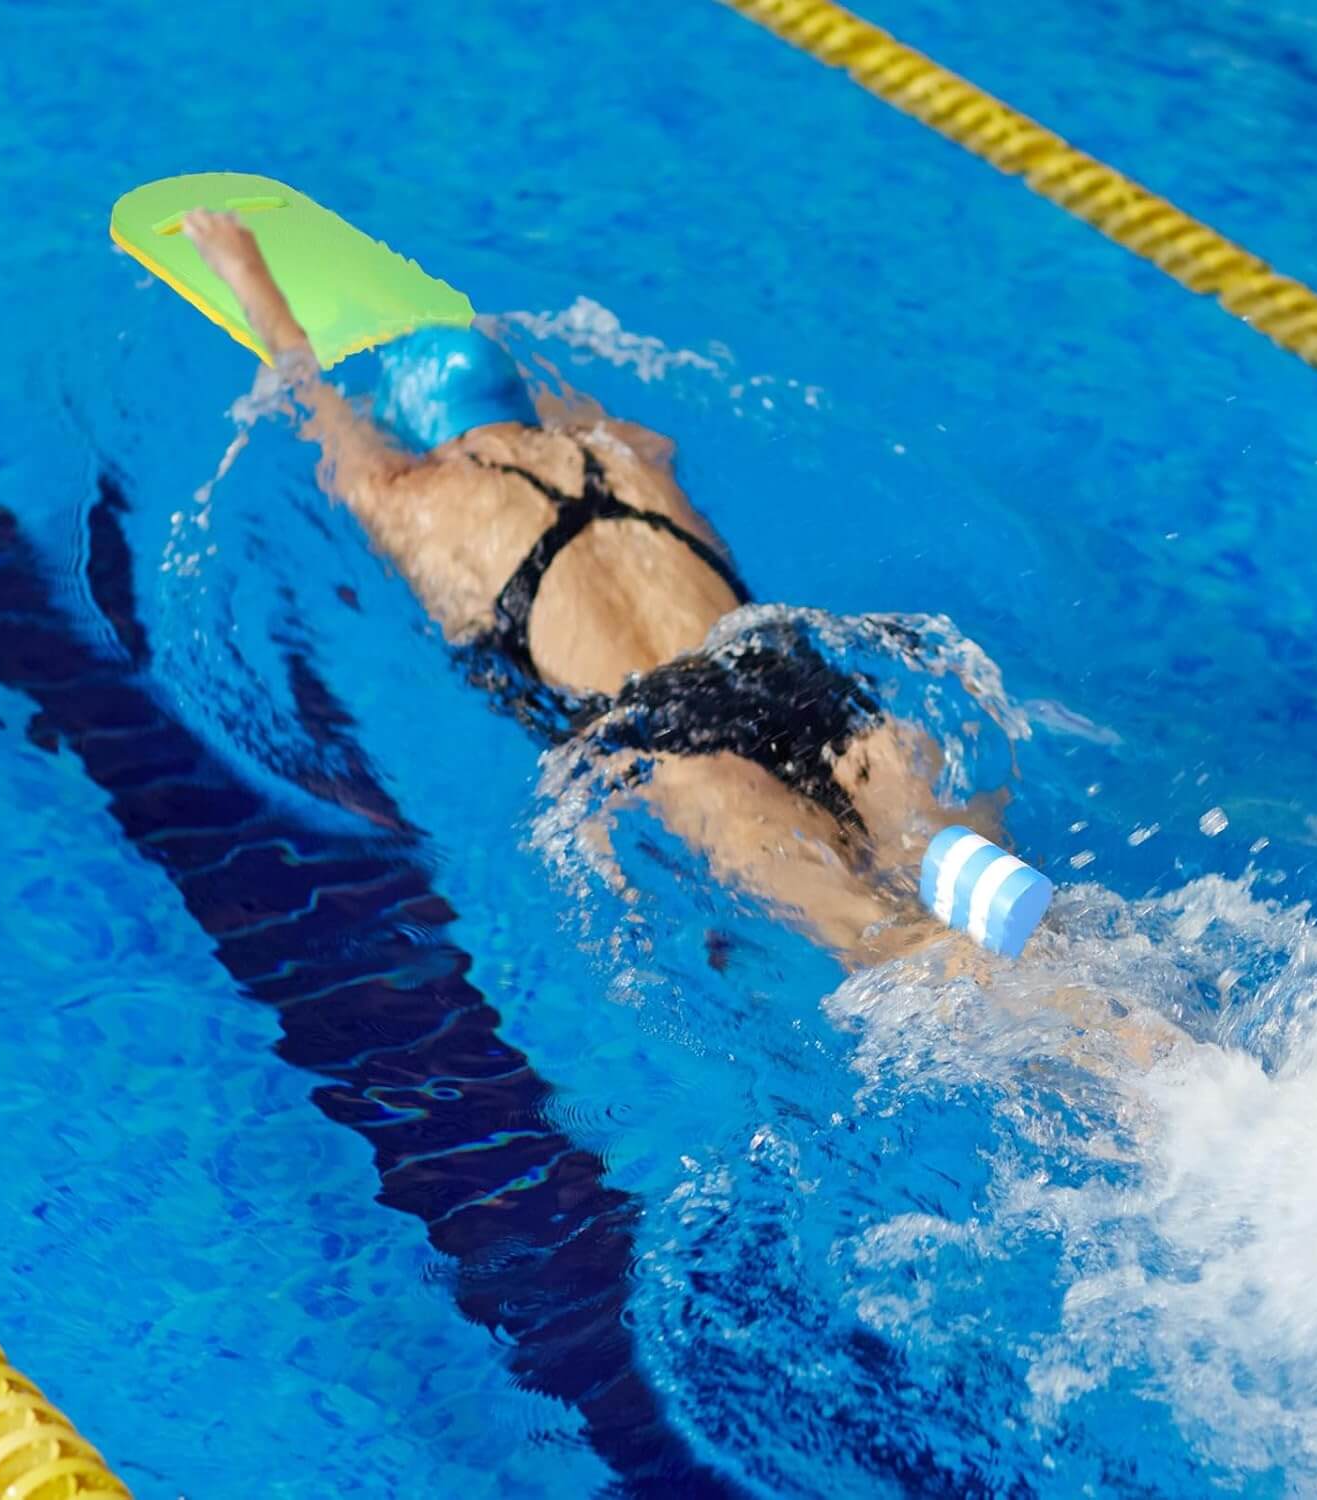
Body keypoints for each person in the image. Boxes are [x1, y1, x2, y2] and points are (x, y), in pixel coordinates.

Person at [180, 209, 1008, 973]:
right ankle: (1118, 1020)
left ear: (421, 437)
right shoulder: (625, 450)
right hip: (794, 676)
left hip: (679, 740)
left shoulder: (417, 500)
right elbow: (558, 402)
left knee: (889, 951)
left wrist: (249, 275)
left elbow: (310, 400)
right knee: (965, 880)